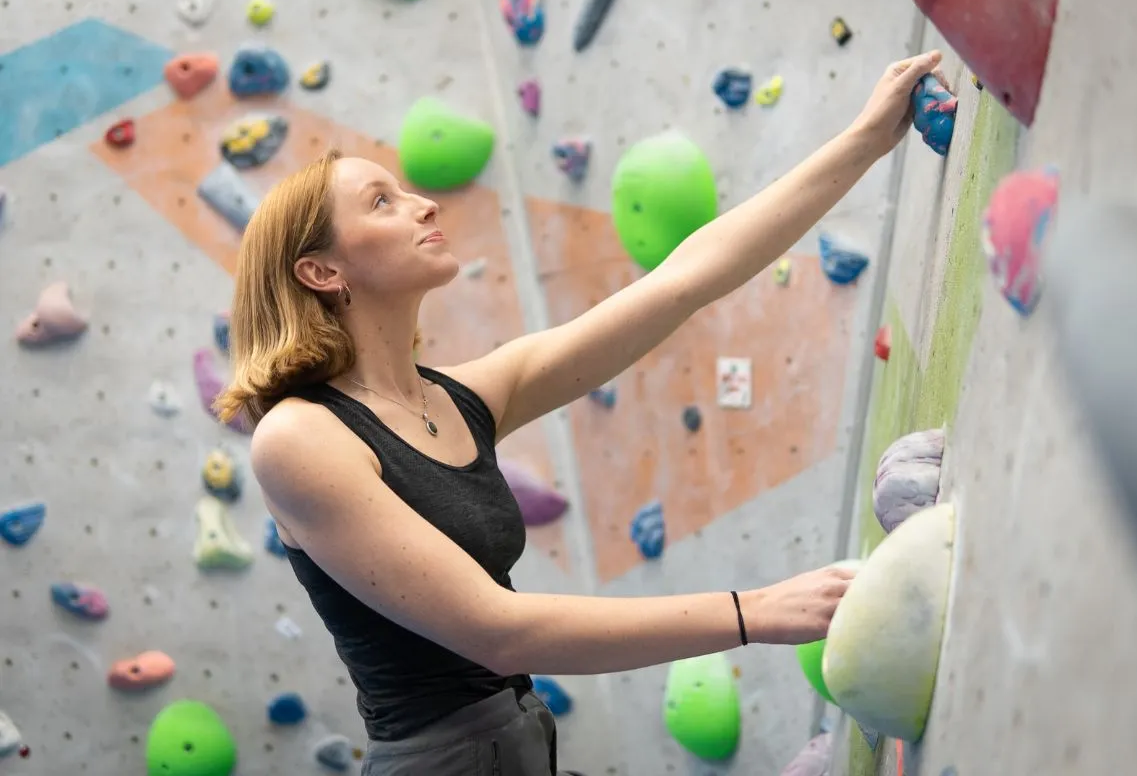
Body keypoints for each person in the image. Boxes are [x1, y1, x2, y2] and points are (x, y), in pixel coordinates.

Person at [214, 49, 946, 776]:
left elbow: (684, 281)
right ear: (321, 271)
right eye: (381, 201)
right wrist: (754, 610)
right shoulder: (299, 438)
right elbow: (499, 633)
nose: (423, 203)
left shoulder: (458, 399)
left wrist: (865, 140)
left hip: (515, 741)